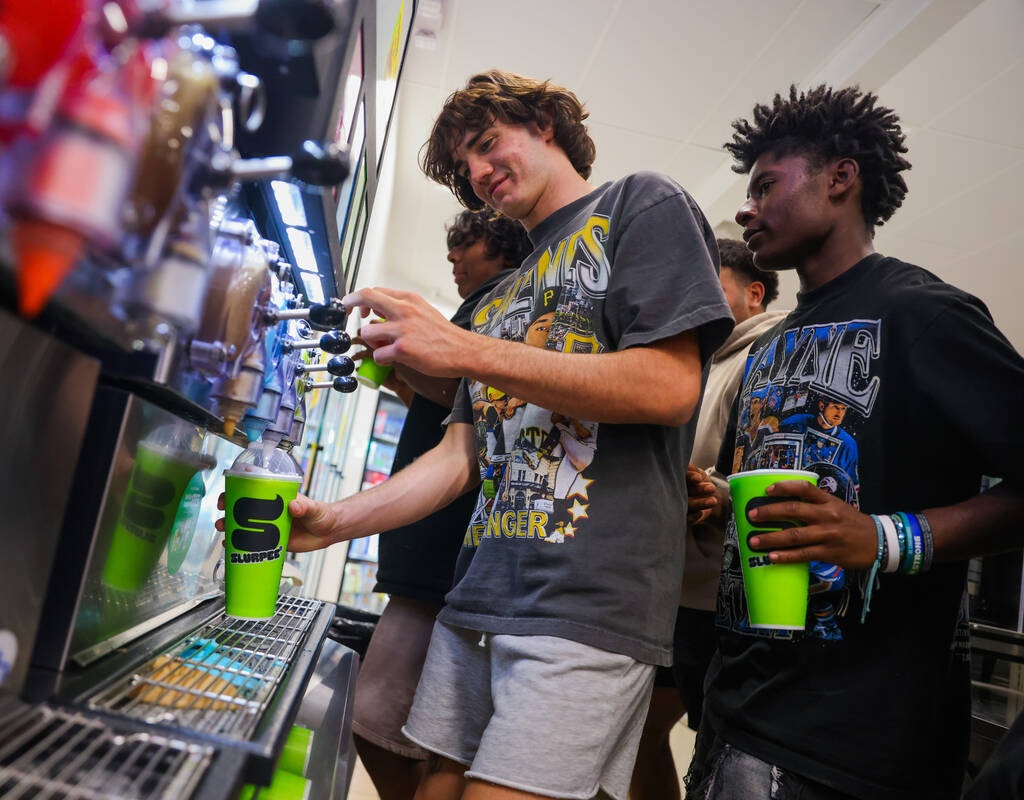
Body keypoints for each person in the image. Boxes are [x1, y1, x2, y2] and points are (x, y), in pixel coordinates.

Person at [248, 70, 734, 800]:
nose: (477, 175)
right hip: (475, 597)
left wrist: (461, 348)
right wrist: (333, 523)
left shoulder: (641, 203)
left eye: (486, 144)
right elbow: (457, 459)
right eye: (463, 170)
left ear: (545, 123)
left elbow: (669, 388)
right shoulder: (501, 297)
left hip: (585, 608)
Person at [683, 85, 1024, 800]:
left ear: (841, 178)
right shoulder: (767, 348)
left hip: (856, 741)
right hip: (735, 707)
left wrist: (885, 537)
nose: (746, 210)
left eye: (766, 186)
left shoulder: (923, 314)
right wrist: (715, 499)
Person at [350, 208, 530, 800]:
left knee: (380, 723)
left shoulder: (503, 308)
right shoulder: (480, 312)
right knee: (426, 740)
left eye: (465, 244)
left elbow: (476, 397)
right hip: (430, 554)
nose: (453, 257)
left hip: (445, 557)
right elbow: (457, 409)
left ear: (501, 245)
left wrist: (400, 354)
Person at [633, 239, 785, 800]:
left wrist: (712, 491)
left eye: (713, 291)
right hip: (674, 586)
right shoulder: (705, 360)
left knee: (712, 753)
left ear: (753, 294)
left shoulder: (766, 354)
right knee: (644, 735)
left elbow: (759, 467)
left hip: (713, 596)